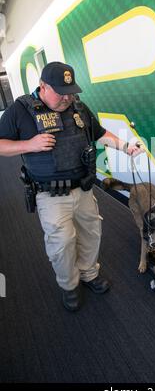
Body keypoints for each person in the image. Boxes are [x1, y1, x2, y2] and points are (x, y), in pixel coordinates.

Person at [0, 61, 143, 311]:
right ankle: (69, 285)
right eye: (60, 92)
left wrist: (125, 146)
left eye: (70, 91)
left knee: (91, 232)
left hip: (84, 187)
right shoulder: (20, 110)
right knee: (62, 243)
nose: (67, 98)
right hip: (50, 193)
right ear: (43, 86)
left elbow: (99, 133)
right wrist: (28, 145)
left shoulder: (78, 107)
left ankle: (88, 273)